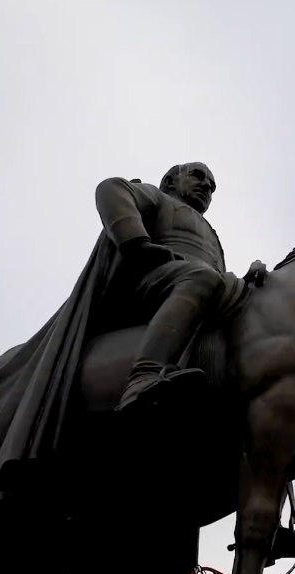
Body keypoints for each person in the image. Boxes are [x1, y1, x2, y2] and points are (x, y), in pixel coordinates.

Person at [94, 162, 253, 413]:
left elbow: (217, 278)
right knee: (202, 277)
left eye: (212, 187)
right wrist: (137, 244)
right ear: (170, 182)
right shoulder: (160, 198)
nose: (206, 186)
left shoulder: (212, 235)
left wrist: (248, 282)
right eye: (198, 176)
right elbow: (111, 188)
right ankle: (144, 377)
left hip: (197, 289)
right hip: (151, 281)